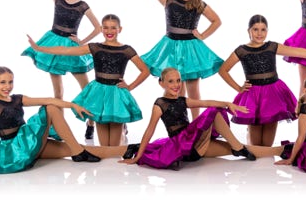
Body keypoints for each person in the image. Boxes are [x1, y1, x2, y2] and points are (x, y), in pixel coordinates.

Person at [0, 66, 141, 174]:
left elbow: (49, 99)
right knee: (51, 110)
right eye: (2, 82)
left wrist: (72, 105)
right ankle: (77, 151)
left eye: (10, 82)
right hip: (15, 149)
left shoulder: (16, 98)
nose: (7, 86)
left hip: (31, 142)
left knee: (79, 145)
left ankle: (131, 149)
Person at [119, 67, 296, 170]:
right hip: (182, 146)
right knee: (215, 112)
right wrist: (137, 157)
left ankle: (282, 150)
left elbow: (204, 102)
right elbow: (149, 131)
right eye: (171, 81)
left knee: (238, 149)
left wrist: (228, 103)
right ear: (161, 83)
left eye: (178, 80)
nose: (176, 85)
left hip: (195, 144)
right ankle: (237, 146)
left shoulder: (182, 100)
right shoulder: (160, 104)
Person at [11, 0, 101, 140]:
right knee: (58, 93)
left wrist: (82, 42)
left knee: (86, 89)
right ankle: (60, 128)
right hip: (53, 45)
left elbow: (98, 27)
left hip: (72, 49)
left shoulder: (82, 5)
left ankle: (91, 123)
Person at [218, 14, 306, 147]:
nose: (259, 33)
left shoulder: (271, 46)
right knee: (256, 145)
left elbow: (299, 51)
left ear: (267, 31)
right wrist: (239, 88)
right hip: (254, 95)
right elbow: (223, 70)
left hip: (272, 95)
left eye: (263, 29)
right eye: (255, 29)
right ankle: (250, 132)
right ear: (248, 31)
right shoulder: (242, 50)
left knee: (267, 145)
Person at [123, 0, 223, 120]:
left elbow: (216, 20)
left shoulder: (198, 4)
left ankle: (196, 122)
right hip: (170, 47)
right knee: (176, 87)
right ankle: (181, 122)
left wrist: (202, 35)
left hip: (191, 49)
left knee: (193, 88)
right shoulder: (168, 0)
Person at [27, 14, 150, 146]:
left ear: (120, 29)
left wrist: (130, 87)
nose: (109, 31)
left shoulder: (126, 50)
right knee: (104, 147)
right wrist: (39, 48)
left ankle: (122, 134)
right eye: (106, 27)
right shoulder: (95, 47)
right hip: (99, 95)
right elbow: (66, 50)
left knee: (113, 147)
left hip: (116, 96)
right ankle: (116, 139)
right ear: (101, 29)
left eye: (113, 28)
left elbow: (145, 71)